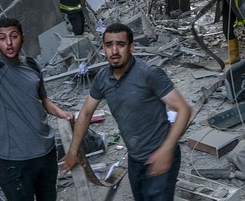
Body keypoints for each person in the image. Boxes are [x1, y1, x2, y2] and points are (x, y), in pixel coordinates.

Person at [61, 23, 191, 201]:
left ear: (132, 47)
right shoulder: (102, 78)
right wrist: (73, 152)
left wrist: (167, 149)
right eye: (109, 45)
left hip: (160, 154)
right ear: (103, 49)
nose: (114, 51)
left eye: (120, 45)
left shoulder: (149, 74)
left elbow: (183, 109)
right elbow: (85, 114)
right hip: (135, 159)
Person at [0, 18, 74, 201]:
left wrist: (61, 113)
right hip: (16, 159)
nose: (9, 42)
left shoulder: (31, 65)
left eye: (13, 36)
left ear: (23, 38)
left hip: (45, 151)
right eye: (2, 38)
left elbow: (43, 98)